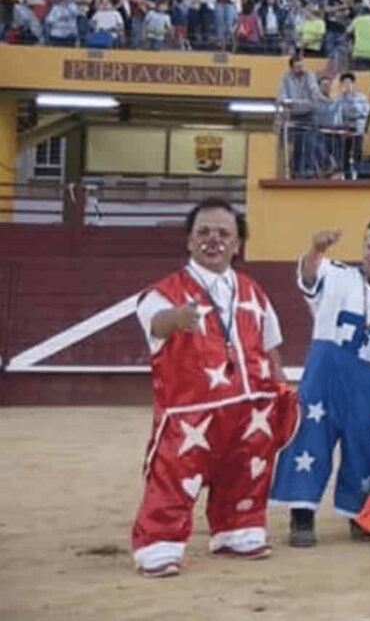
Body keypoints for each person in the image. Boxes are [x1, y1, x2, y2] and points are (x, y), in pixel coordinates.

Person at [131, 199, 297, 578]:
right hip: (191, 410)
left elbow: (270, 344)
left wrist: (280, 383)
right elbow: (155, 325)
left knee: (247, 471)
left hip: (251, 406)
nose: (213, 240)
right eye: (203, 232)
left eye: (224, 234)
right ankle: (158, 545)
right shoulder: (165, 292)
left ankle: (237, 530)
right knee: (174, 477)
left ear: (238, 244)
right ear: (189, 241)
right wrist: (178, 317)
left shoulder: (253, 290)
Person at [269, 216, 370, 547]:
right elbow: (308, 277)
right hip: (325, 381)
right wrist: (316, 250)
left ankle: (358, 513)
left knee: (366, 451)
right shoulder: (337, 275)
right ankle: (302, 517)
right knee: (308, 442)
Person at [333, 72, 370, 180]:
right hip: (344, 129)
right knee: (344, 152)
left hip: (357, 129)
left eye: (349, 82)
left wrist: (350, 102)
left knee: (357, 151)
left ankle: (356, 172)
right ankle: (345, 173)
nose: (347, 85)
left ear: (353, 84)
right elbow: (337, 112)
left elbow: (362, 111)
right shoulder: (338, 99)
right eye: (345, 83)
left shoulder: (360, 97)